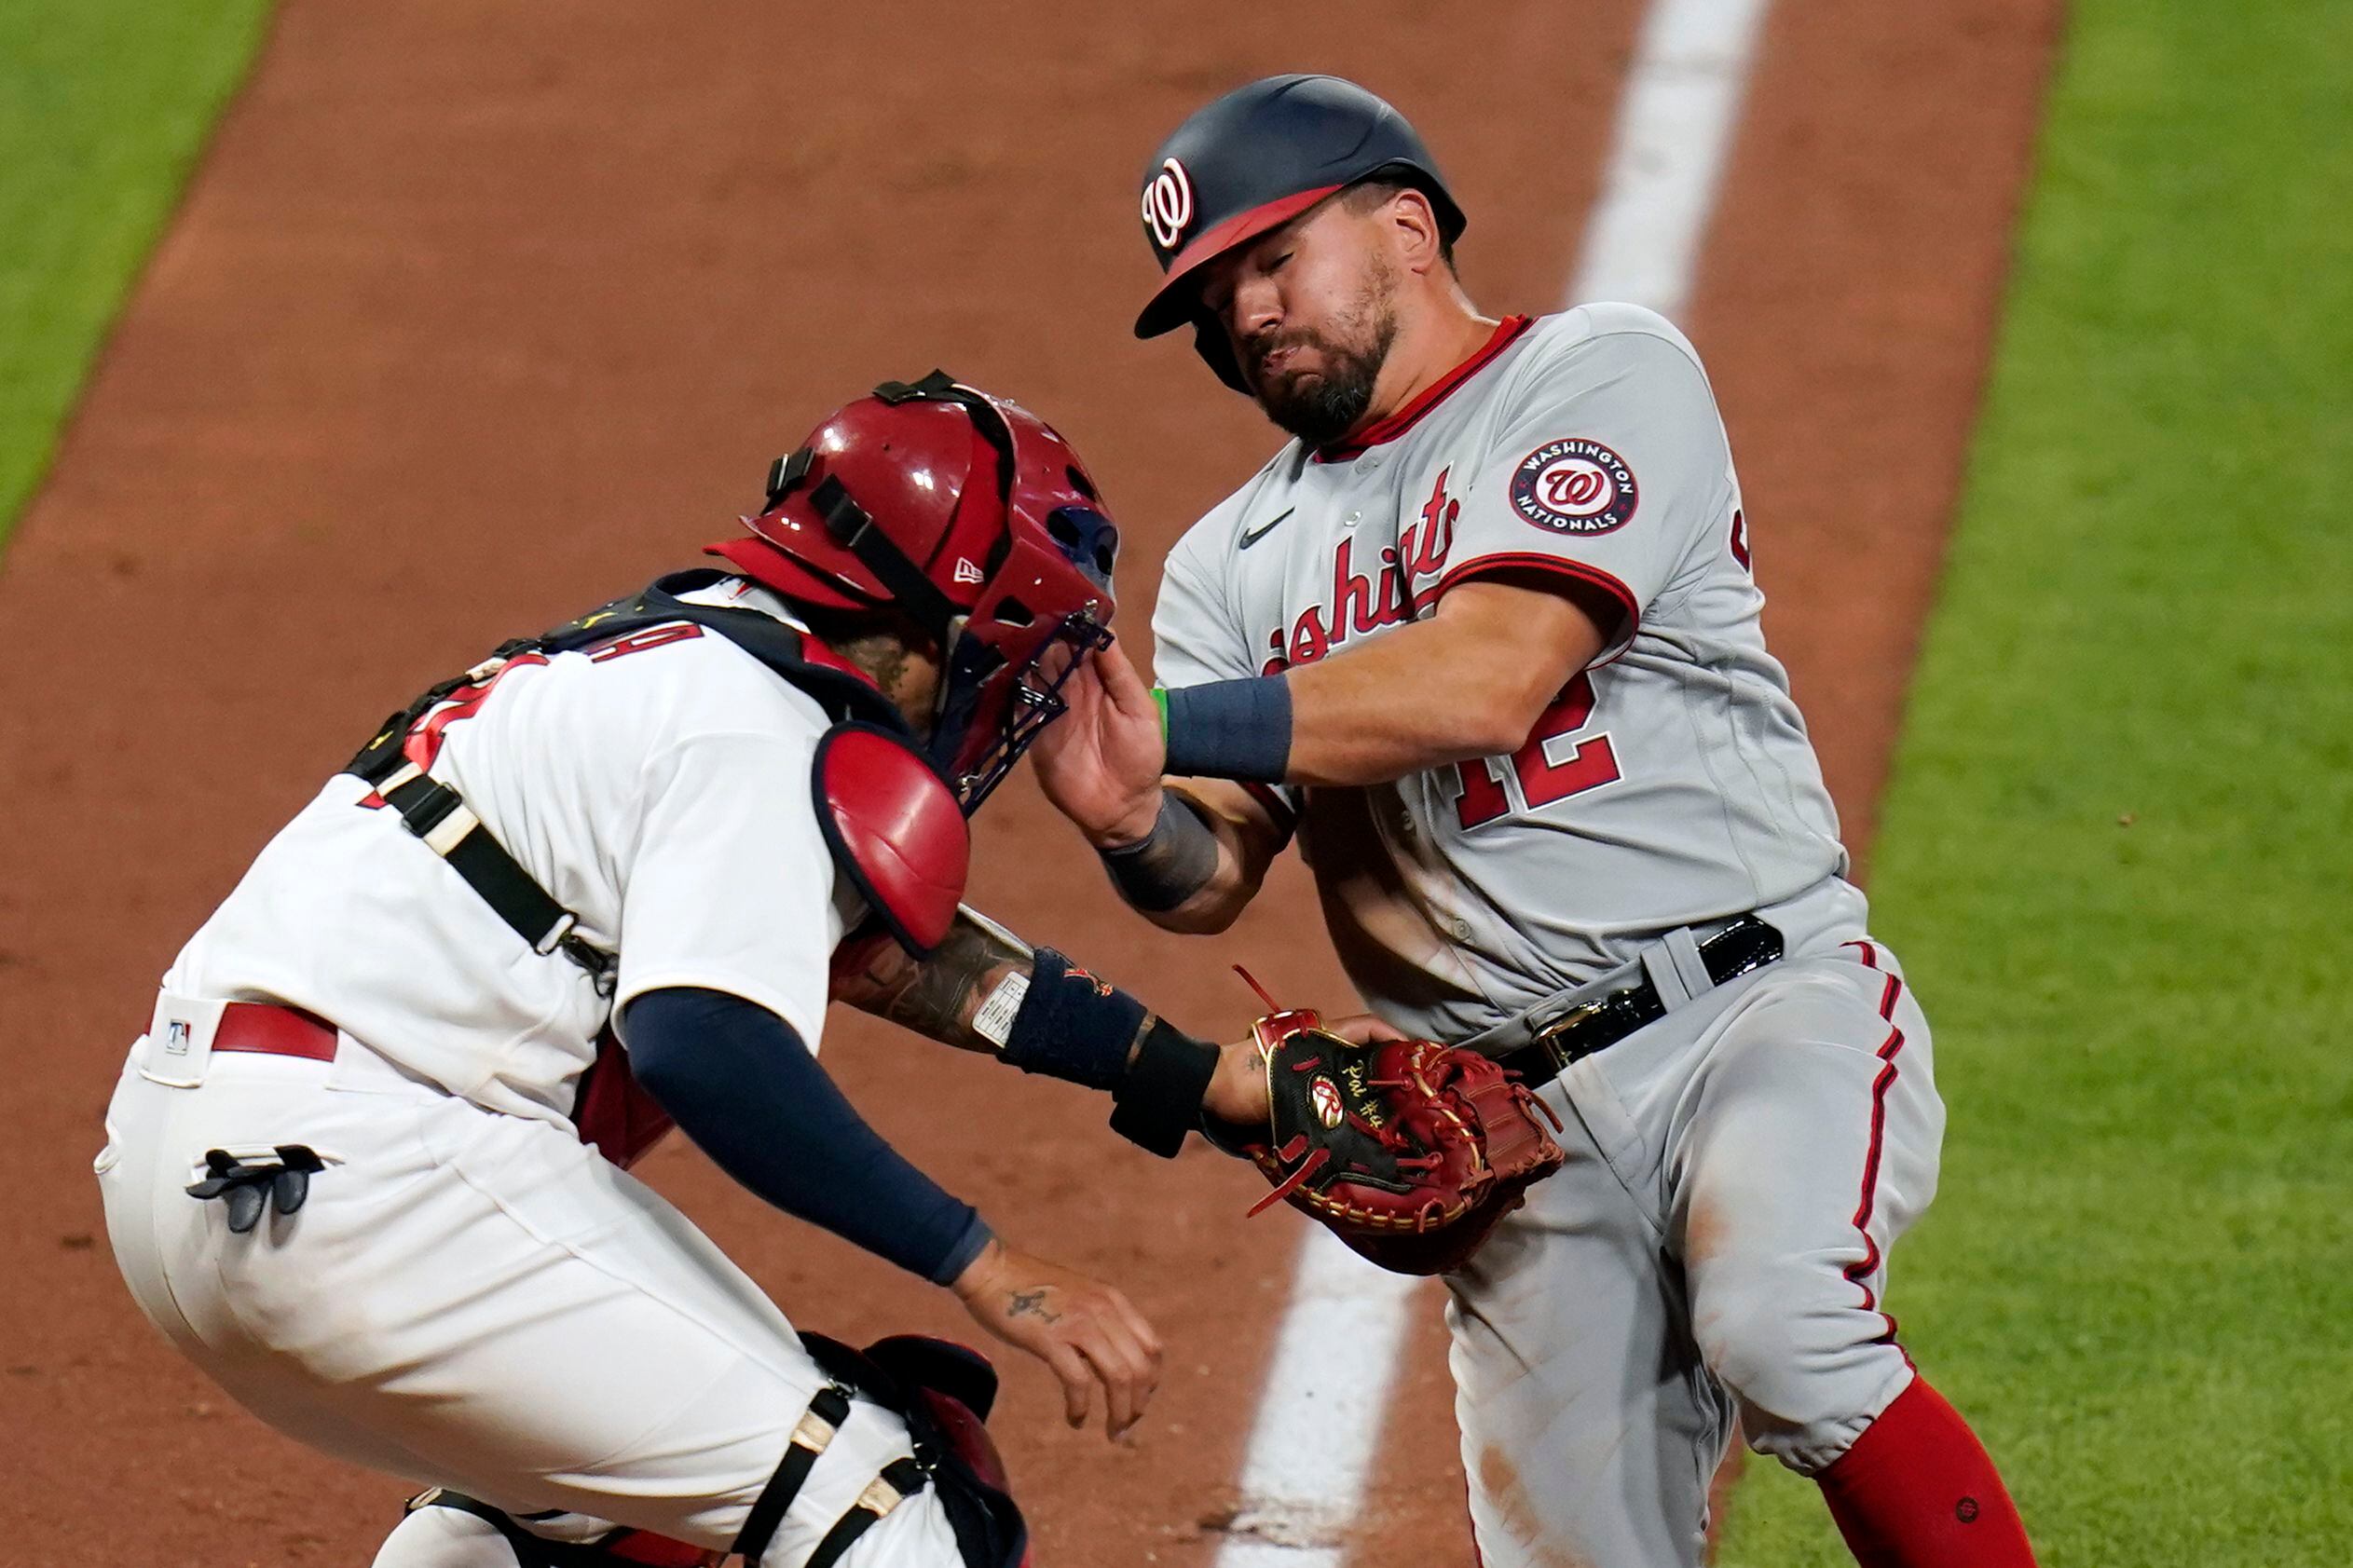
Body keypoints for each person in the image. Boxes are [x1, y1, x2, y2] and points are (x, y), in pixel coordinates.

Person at [1033, 74, 2040, 1568]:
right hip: (1510, 1129)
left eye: (1271, 261)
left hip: (1748, 1010)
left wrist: (1168, 725)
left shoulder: (1594, 376)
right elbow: (1210, 871)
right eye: (1209, 299)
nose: (1243, 317)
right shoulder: (1226, 563)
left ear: (1407, 224)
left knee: (1782, 1315)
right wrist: (1129, 817)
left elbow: (1491, 676)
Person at [94, 373, 1278, 1568]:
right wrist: (986, 1264)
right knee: (895, 1507)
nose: (1016, 693)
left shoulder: (679, 661)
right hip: (377, 1178)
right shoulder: (757, 724)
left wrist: (1191, 1080)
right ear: (943, 621)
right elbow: (703, 1039)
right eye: (1017, 653)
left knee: (564, 1526)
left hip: (194, 1180)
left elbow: (887, 959)